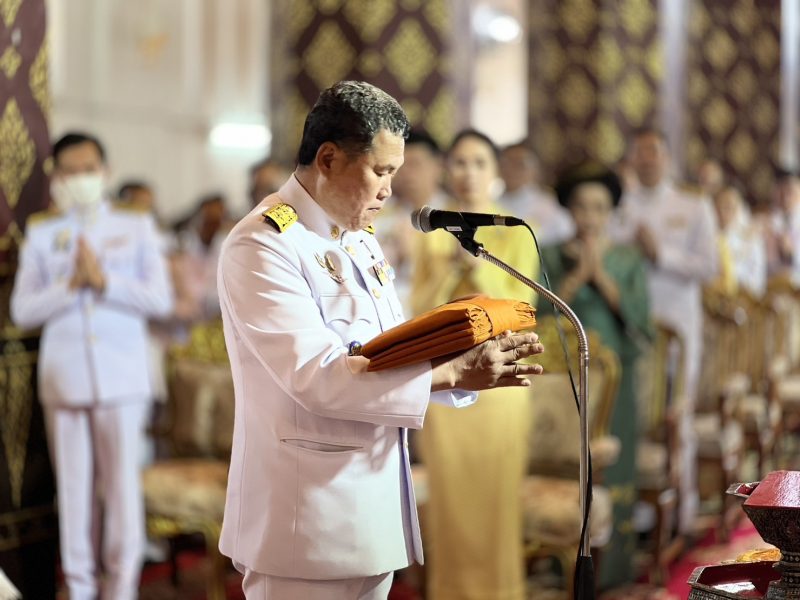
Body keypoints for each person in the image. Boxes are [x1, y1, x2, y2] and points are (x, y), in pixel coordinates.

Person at [216, 81, 545, 600]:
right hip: (306, 516)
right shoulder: (263, 244)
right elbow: (317, 377)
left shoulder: (359, 238)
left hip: (373, 507)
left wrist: (461, 354)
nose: (390, 190)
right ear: (328, 159)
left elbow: (388, 350)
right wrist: (448, 374)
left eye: (395, 172)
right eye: (381, 171)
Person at [10, 132, 173, 600]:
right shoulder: (43, 232)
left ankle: (121, 589)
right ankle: (80, 588)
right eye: (71, 171)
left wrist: (104, 281)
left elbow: (159, 299)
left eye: (88, 170)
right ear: (57, 177)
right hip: (64, 380)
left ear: (105, 172)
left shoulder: (135, 225)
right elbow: (23, 311)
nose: (80, 179)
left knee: (121, 492)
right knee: (74, 493)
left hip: (122, 378)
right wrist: (71, 284)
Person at [411, 129, 538, 600]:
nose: (468, 173)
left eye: (479, 162)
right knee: (450, 503)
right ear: (448, 169)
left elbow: (523, 306)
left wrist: (477, 268)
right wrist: (449, 269)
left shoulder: (516, 230)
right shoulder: (431, 234)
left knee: (497, 502)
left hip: (501, 383)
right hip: (447, 381)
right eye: (460, 162)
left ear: (495, 171)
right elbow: (418, 309)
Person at [538, 164, 652, 588]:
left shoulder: (626, 257)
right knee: (565, 463)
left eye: (599, 208)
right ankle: (560, 566)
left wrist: (600, 276)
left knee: (613, 467)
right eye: (582, 206)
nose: (590, 216)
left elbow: (642, 321)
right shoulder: (550, 254)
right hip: (562, 378)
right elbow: (537, 313)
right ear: (569, 209)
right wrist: (576, 278)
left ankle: (612, 571)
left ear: (611, 212)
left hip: (615, 377)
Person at [610, 128, 718, 534]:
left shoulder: (693, 205)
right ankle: (639, 515)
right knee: (633, 417)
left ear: (667, 157)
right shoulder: (620, 207)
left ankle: (681, 515)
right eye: (639, 152)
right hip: (631, 329)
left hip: (678, 329)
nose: (646, 159)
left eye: (653, 151)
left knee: (676, 418)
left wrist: (662, 254)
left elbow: (709, 267)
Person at [378, 129, 446, 311]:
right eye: (402, 166)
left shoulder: (452, 217)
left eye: (415, 164)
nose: (407, 174)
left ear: (438, 166)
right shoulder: (380, 214)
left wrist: (412, 254)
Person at [498, 141, 574, 245]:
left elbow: (565, 231)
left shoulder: (545, 203)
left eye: (520, 165)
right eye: (506, 164)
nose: (511, 170)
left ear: (534, 170)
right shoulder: (490, 203)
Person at [760, 168, 800, 283]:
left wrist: (792, 253)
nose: (786, 197)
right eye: (781, 191)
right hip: (771, 282)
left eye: (790, 191)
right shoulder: (763, 220)